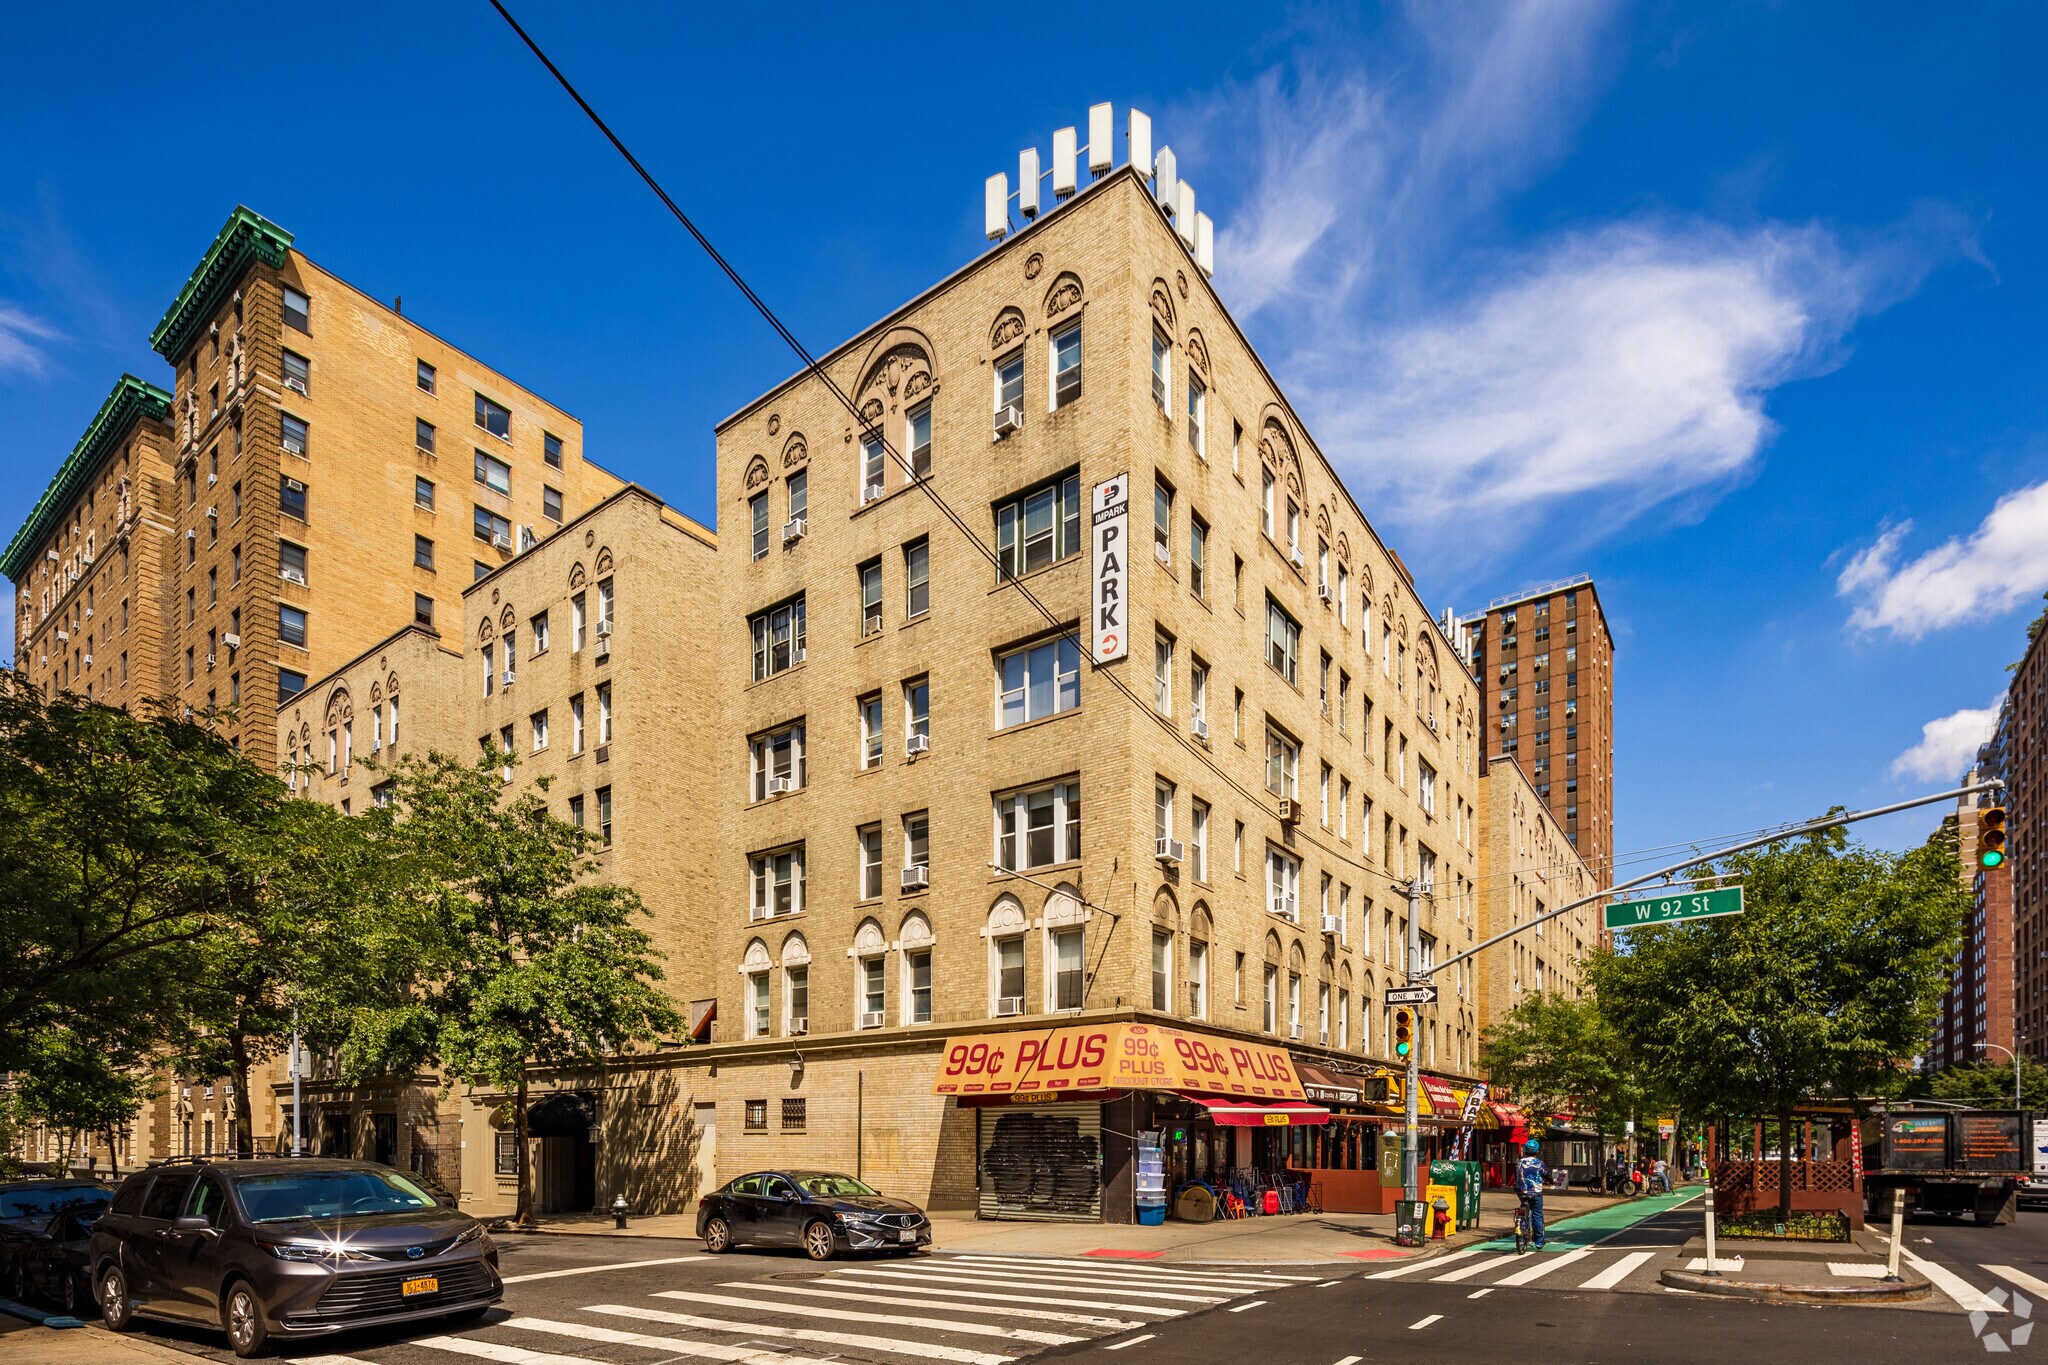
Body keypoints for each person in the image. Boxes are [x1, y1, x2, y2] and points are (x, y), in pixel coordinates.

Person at [1517, 1138, 1550, 1249]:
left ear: (1525, 1151)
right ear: (1537, 1151)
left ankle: (1522, 1227)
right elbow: (1546, 1175)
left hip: (1521, 1191)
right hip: (1535, 1193)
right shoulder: (1540, 1163)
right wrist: (1550, 1180)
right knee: (1537, 1215)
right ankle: (1539, 1241)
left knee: (1524, 1208)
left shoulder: (1519, 1162)